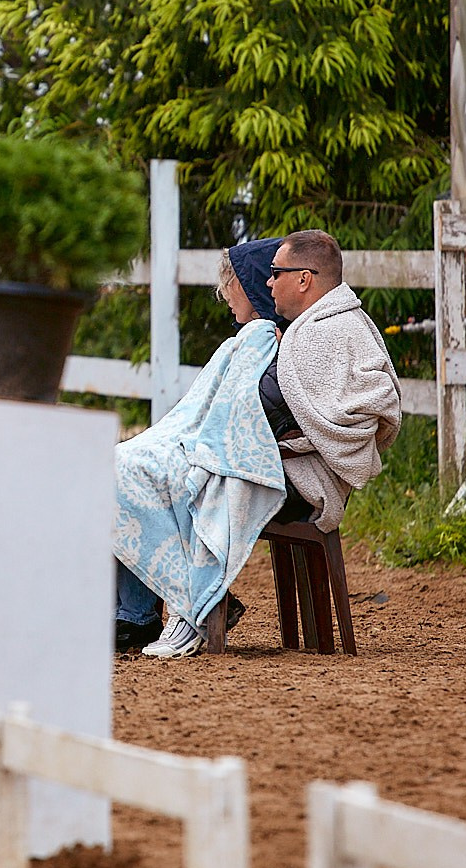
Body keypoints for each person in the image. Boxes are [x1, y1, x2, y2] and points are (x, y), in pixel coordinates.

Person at [114, 229, 401, 658]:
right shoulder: (315, 330)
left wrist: (208, 444)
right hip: (286, 466)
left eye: (276, 274)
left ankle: (187, 607)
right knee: (134, 467)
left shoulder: (323, 333)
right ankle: (172, 605)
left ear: (304, 279)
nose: (269, 284)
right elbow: (264, 411)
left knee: (151, 473)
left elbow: (272, 414)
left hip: (300, 480)